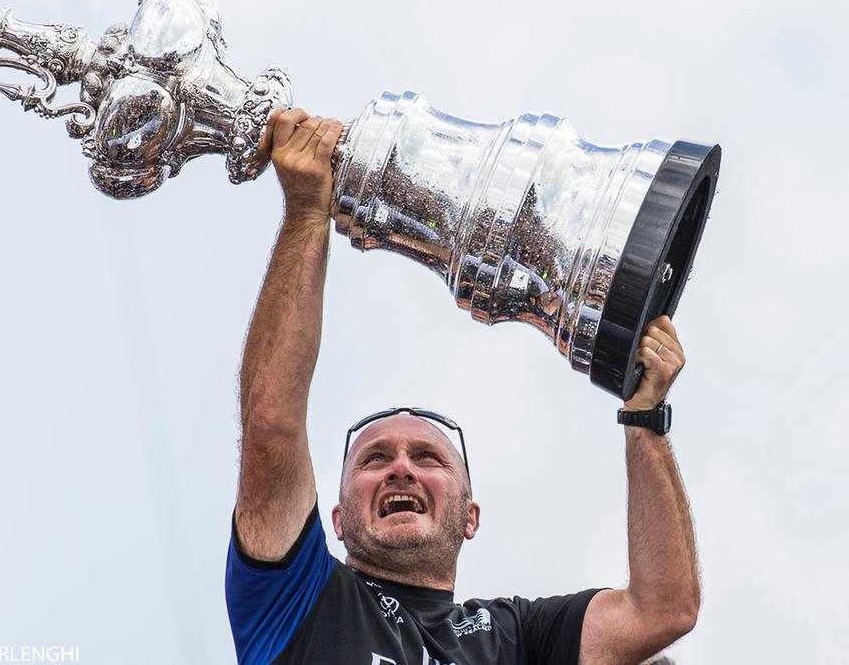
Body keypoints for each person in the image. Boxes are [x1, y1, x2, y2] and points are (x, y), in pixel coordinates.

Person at [225, 109, 700, 665]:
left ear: (471, 514)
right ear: (335, 519)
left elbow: (663, 610)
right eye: (374, 460)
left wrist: (645, 420)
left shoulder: (518, 637)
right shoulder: (296, 597)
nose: (401, 467)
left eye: (428, 458)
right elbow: (271, 427)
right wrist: (306, 212)